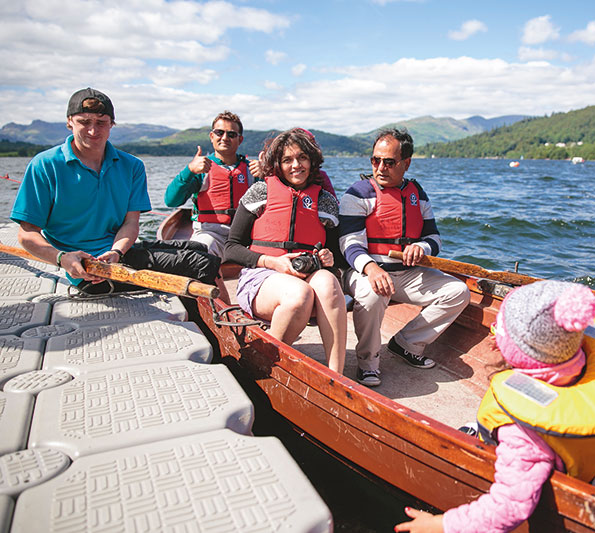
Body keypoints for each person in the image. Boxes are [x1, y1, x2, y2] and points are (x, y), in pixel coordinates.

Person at [396, 281, 595, 533]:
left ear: (516, 349)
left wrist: (442, 526)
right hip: (579, 464)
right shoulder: (584, 370)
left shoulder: (522, 432)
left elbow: (508, 507)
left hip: (537, 468)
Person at [10, 87, 220, 294]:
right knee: (202, 263)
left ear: (112, 124)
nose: (93, 131)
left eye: (101, 123)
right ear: (69, 122)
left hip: (116, 252)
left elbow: (130, 223)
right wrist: (62, 258)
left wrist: (116, 251)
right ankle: (209, 322)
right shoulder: (45, 165)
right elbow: (27, 234)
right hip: (85, 269)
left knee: (197, 247)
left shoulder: (131, 166)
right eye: (84, 122)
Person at [339, 128, 470, 387]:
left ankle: (406, 343)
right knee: (373, 293)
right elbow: (349, 244)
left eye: (389, 162)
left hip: (407, 274)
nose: (380, 168)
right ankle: (367, 362)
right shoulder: (358, 193)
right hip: (363, 272)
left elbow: (435, 237)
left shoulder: (417, 194)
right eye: (375, 160)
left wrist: (422, 247)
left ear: (406, 163)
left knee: (458, 292)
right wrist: (371, 269)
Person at [224, 128, 346, 373]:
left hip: (306, 272)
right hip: (262, 276)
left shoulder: (326, 201)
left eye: (302, 157)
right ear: (277, 164)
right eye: (287, 160)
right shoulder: (259, 193)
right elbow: (231, 249)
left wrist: (331, 258)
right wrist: (273, 263)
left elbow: (338, 257)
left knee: (330, 284)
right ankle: (261, 363)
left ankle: (336, 375)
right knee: (298, 295)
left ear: (312, 161)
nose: (296, 165)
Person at [164, 110, 262, 258]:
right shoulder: (200, 170)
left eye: (231, 134)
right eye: (219, 132)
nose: (225, 138)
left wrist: (266, 174)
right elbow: (171, 201)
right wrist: (189, 170)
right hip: (211, 234)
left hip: (245, 237)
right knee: (198, 257)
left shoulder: (252, 170)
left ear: (240, 139)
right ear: (211, 136)